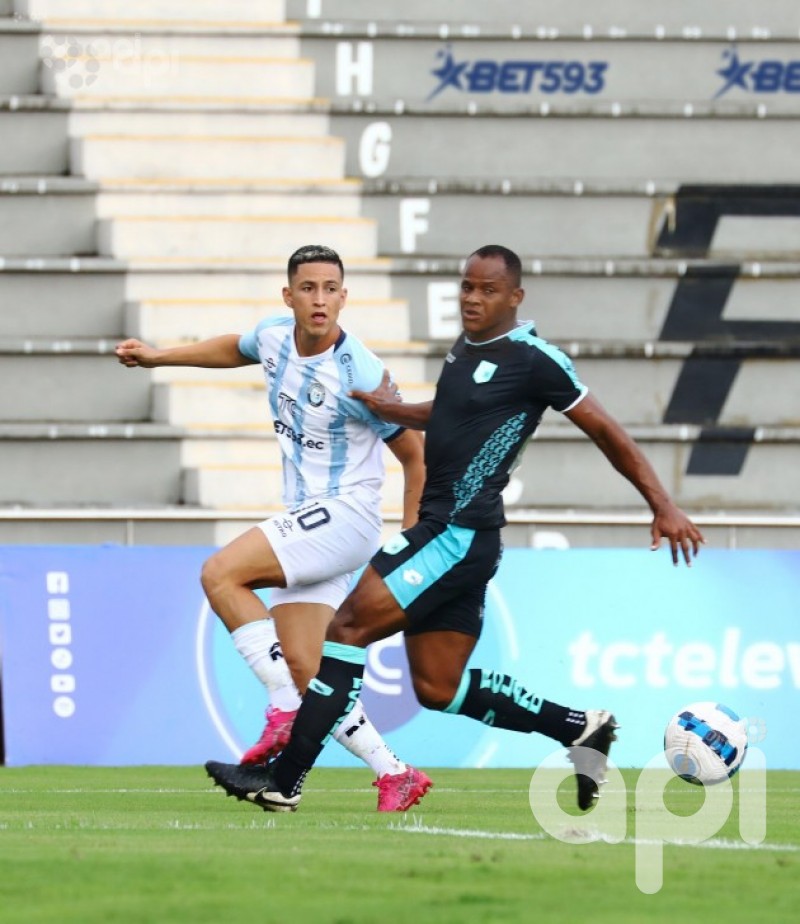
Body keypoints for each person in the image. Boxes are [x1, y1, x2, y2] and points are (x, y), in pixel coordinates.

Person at [205, 243, 706, 814]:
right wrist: (395, 411)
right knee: (439, 687)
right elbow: (454, 412)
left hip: (455, 531)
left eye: (487, 290)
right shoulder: (466, 348)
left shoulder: (536, 359)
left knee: (344, 631)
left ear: (515, 298)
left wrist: (662, 504)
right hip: (465, 539)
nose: (472, 298)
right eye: (467, 286)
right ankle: (579, 728)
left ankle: (283, 780)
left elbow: (606, 430)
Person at [116, 244, 432, 812]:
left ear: (344, 295)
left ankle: (282, 706)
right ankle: (395, 773)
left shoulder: (359, 370)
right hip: (308, 522)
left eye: (330, 288)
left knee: (220, 574)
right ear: (289, 297)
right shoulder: (272, 337)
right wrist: (160, 358)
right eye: (307, 288)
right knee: (310, 667)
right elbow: (232, 349)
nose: (319, 299)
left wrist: (410, 541)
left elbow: (415, 455)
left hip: (347, 514)